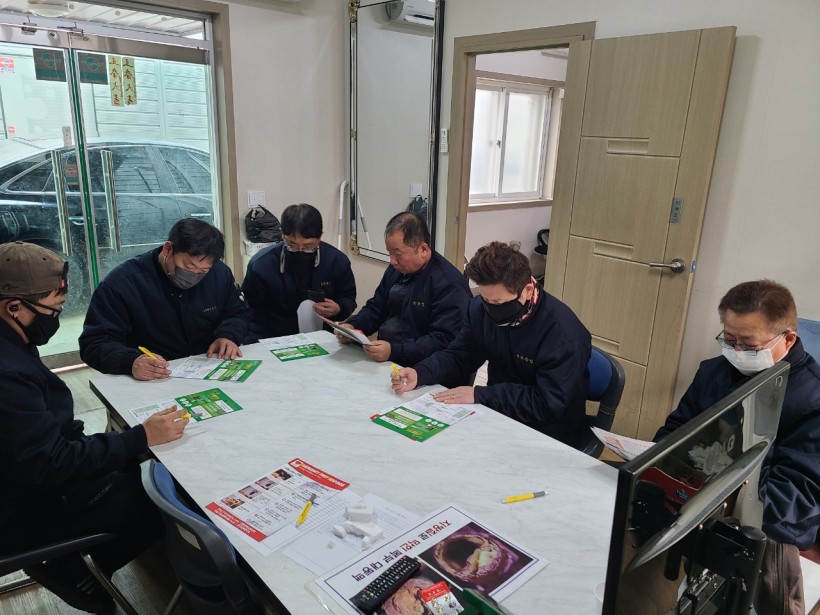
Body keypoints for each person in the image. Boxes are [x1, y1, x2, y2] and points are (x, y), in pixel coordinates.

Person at [0, 241, 189, 613]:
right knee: (161, 496)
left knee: (134, 462)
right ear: (14, 307)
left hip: (28, 474)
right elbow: (49, 464)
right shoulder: (6, 373)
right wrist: (141, 436)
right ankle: (74, 571)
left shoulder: (13, 340)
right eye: (53, 309)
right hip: (22, 508)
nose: (56, 317)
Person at [654, 280, 820, 615]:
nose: (737, 352)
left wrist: (716, 493)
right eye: (729, 341)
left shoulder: (812, 400)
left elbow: (795, 498)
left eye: (748, 344)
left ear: (788, 339)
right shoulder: (713, 372)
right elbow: (674, 431)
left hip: (764, 530)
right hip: (697, 504)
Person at [391, 241, 592, 449]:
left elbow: (547, 404)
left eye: (497, 302)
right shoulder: (480, 309)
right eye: (484, 298)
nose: (490, 309)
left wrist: (481, 395)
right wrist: (421, 372)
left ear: (527, 290)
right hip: (497, 414)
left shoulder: (563, 335)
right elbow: (461, 354)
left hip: (549, 433)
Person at [79, 218, 250, 381]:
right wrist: (130, 361)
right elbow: (94, 344)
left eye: (203, 271)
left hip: (208, 367)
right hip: (153, 377)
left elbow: (237, 313)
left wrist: (228, 335)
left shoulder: (219, 274)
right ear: (168, 249)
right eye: (188, 266)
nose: (194, 276)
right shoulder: (122, 284)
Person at [337, 211, 470, 366]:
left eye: (398, 255)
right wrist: (353, 326)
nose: (392, 261)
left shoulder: (449, 284)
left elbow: (443, 340)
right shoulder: (397, 269)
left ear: (423, 250)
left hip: (423, 368)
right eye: (389, 253)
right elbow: (377, 307)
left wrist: (395, 351)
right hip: (388, 359)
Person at [242, 203, 356, 339]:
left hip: (321, 338)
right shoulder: (262, 264)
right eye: (292, 244)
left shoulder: (336, 261)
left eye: (308, 246)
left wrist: (339, 308)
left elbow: (348, 298)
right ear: (283, 235)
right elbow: (250, 311)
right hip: (273, 337)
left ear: (320, 237)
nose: (300, 251)